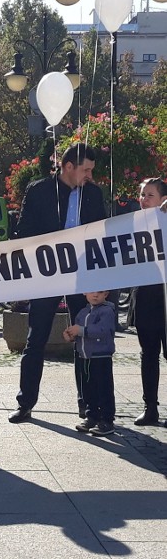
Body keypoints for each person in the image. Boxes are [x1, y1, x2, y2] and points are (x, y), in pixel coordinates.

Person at [8, 143, 106, 424]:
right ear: (68, 167)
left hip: (82, 275)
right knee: (35, 338)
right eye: (85, 170)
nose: (89, 175)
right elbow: (24, 231)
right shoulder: (39, 190)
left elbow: (102, 232)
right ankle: (25, 403)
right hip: (46, 275)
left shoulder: (94, 193)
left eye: (92, 170)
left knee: (84, 338)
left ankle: (87, 405)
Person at [128, 178, 167, 426]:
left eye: (149, 195)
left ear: (163, 199)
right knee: (148, 354)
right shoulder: (132, 223)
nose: (143, 199)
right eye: (142, 195)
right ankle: (150, 407)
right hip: (146, 297)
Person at [63, 290, 116, 436]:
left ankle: (107, 420)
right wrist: (71, 336)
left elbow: (103, 330)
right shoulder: (82, 312)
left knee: (103, 389)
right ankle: (91, 416)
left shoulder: (107, 311)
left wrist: (81, 330)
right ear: (85, 293)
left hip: (101, 357)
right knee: (88, 389)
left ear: (106, 294)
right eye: (92, 292)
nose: (95, 295)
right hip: (85, 357)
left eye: (100, 292)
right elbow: (78, 334)